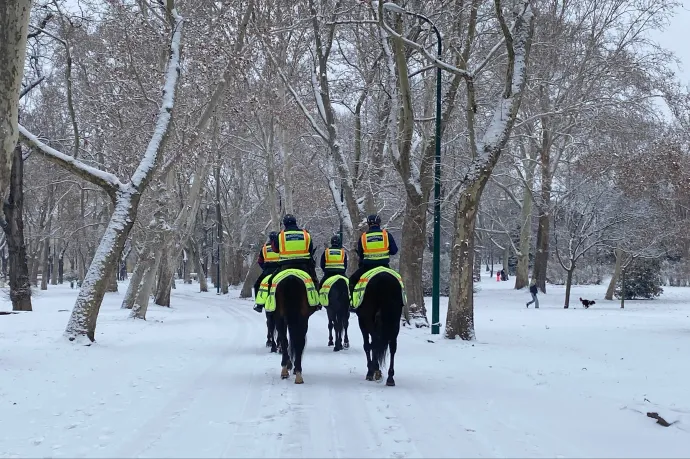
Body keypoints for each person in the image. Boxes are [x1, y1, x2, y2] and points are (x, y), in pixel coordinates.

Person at [348, 214, 399, 297]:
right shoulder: (386, 235)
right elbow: (394, 251)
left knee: (352, 281)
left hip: (368, 267)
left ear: (368, 224)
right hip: (384, 266)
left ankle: (353, 303)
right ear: (379, 223)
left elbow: (361, 255)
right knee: (398, 281)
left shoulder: (363, 237)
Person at [267, 214, 318, 287]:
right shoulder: (306, 234)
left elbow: (275, 249)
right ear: (295, 222)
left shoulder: (281, 235)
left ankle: (270, 297)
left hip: (285, 265)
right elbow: (310, 250)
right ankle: (317, 296)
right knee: (315, 282)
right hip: (303, 265)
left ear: (284, 224)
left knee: (271, 281)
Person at [253, 232, 280, 313]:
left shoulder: (265, 248)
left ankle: (259, 305)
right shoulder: (280, 246)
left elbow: (260, 261)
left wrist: (265, 268)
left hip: (268, 270)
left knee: (257, 285)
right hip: (280, 269)